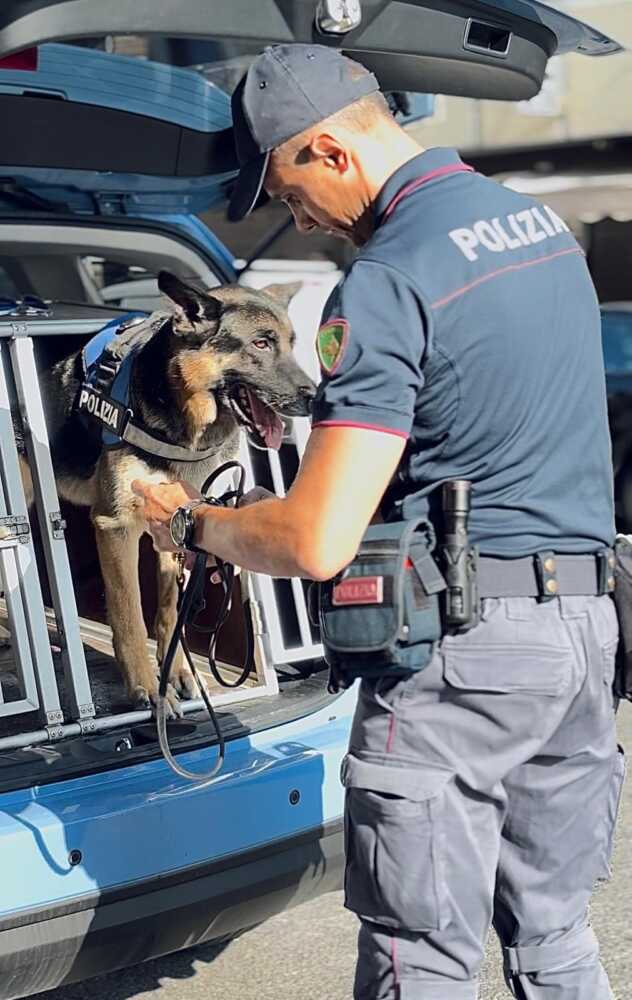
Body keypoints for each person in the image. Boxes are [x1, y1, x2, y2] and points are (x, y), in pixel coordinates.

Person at [133, 44, 623, 1000]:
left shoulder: (391, 281)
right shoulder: (540, 227)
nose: (298, 218)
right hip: (583, 637)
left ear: (328, 150)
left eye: (286, 190)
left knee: (421, 957)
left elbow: (318, 537)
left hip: (467, 659)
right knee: (556, 943)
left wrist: (192, 522)